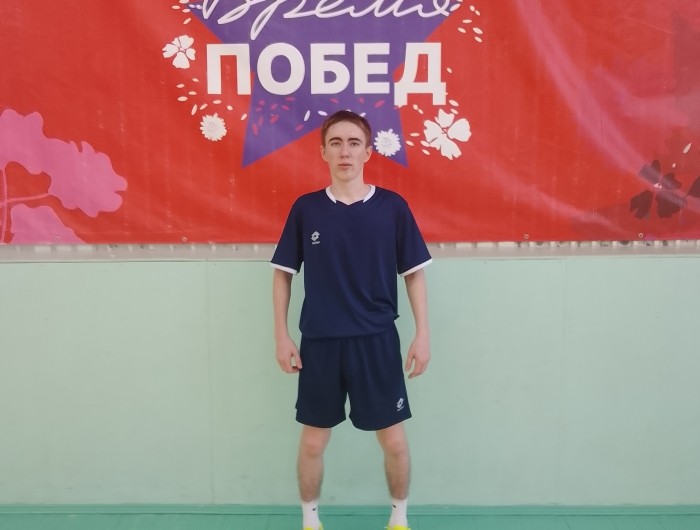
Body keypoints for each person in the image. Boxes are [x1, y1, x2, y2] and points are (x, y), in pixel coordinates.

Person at [271, 110, 431, 530]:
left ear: (368, 152)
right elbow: (283, 274)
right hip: (320, 343)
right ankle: (310, 521)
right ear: (323, 152)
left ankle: (399, 519)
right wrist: (281, 336)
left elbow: (413, 273)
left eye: (354, 143)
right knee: (313, 442)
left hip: (376, 341)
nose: (345, 151)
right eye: (336, 143)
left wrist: (422, 334)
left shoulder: (392, 207)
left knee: (393, 441)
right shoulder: (306, 209)